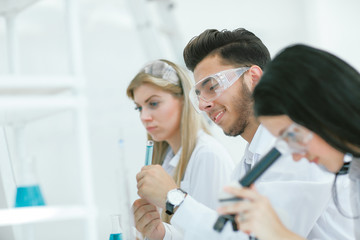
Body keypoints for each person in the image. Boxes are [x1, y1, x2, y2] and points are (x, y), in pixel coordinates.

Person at [134, 28, 355, 240]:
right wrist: (165, 234)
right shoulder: (249, 163)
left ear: (254, 78)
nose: (203, 105)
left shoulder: (300, 152)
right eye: (198, 95)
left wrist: (175, 199)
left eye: (212, 86)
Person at [218, 44, 360, 240]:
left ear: (323, 108)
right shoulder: (353, 170)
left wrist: (279, 233)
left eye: (292, 135)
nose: (296, 155)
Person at [126, 59, 234, 239]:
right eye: (139, 108)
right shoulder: (167, 158)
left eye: (153, 104)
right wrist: (156, 233)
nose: (144, 117)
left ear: (184, 100)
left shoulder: (207, 155)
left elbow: (214, 235)